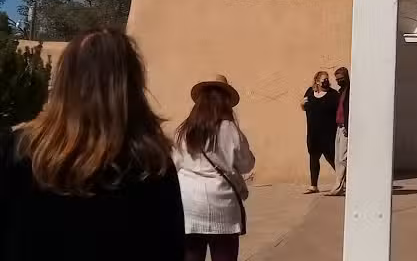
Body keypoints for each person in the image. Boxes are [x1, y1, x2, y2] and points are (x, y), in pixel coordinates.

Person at [0, 28, 184, 261]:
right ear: (132, 85)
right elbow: (169, 250)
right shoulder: (151, 165)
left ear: (63, 80)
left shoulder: (18, 150)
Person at [174, 74, 255, 261]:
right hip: (223, 207)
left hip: (189, 207)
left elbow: (175, 164)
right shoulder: (230, 129)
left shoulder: (184, 130)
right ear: (225, 100)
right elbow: (247, 164)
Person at [301, 70, 339, 193]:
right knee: (313, 157)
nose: (327, 82)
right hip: (313, 133)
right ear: (317, 81)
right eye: (324, 80)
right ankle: (313, 185)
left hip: (328, 133)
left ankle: (344, 181)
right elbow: (304, 106)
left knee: (332, 159)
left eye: (328, 79)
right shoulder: (310, 92)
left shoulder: (333, 95)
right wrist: (301, 104)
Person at [326, 66, 350, 196]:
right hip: (339, 127)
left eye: (341, 78)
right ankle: (340, 185)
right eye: (337, 79)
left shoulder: (350, 91)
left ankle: (338, 187)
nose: (338, 81)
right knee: (338, 158)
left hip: (346, 127)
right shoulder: (341, 91)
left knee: (342, 158)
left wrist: (348, 126)